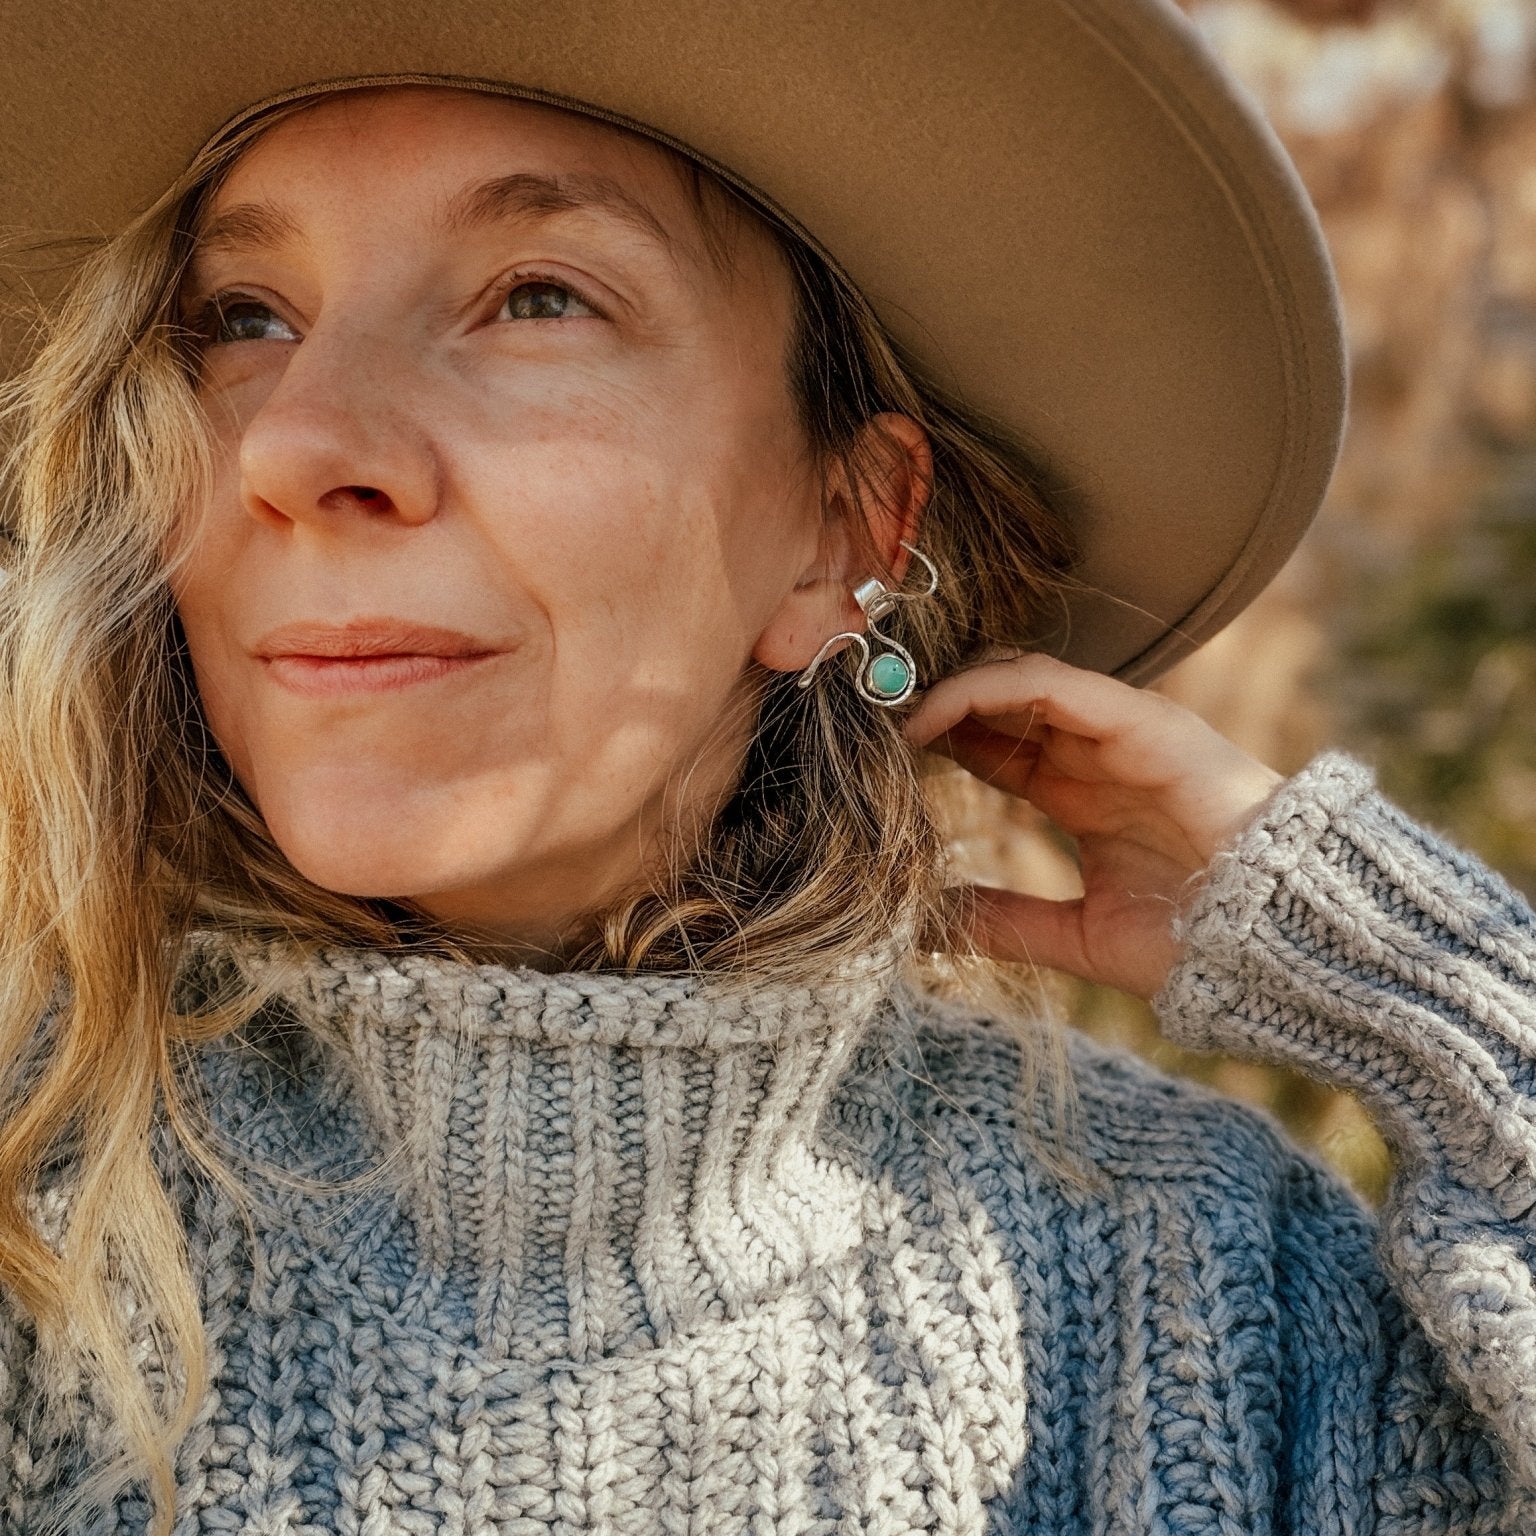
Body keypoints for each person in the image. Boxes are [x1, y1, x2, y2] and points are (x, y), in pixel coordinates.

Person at [1, 3, 1532, 1533]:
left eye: (537, 297)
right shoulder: (33, 1217)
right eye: (245, 320)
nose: (296, 441)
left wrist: (1401, 974)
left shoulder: (1200, 1286)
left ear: (845, 532)